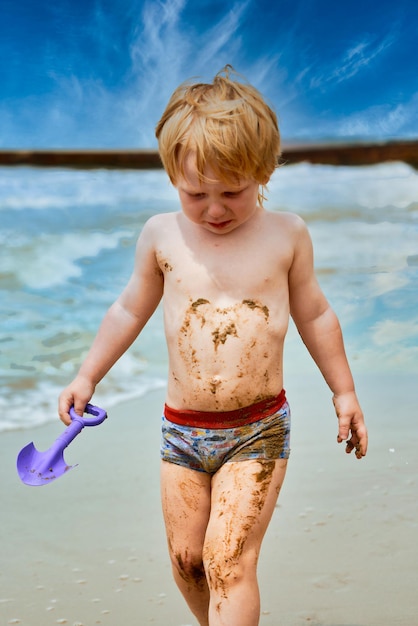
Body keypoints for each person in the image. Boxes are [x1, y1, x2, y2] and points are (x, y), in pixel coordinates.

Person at [59, 65, 368, 626]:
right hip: (181, 430)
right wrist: (87, 375)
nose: (215, 209)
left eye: (234, 191)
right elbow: (129, 308)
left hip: (257, 429)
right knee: (188, 562)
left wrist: (343, 391)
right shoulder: (161, 235)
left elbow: (316, 313)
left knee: (229, 561)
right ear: (172, 176)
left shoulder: (287, 234)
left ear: (264, 173)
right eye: (196, 193)